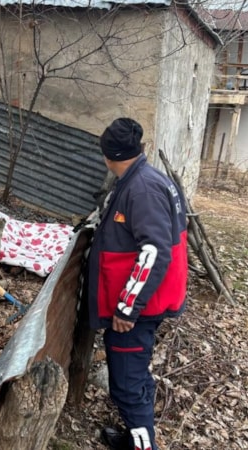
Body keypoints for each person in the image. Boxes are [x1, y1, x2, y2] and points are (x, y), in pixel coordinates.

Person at [85, 118, 188, 450]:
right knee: (134, 374)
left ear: (108, 155)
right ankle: (134, 438)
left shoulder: (142, 188)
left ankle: (144, 445)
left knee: (127, 385)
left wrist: (128, 307)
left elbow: (155, 252)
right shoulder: (140, 178)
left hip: (138, 309)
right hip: (144, 303)